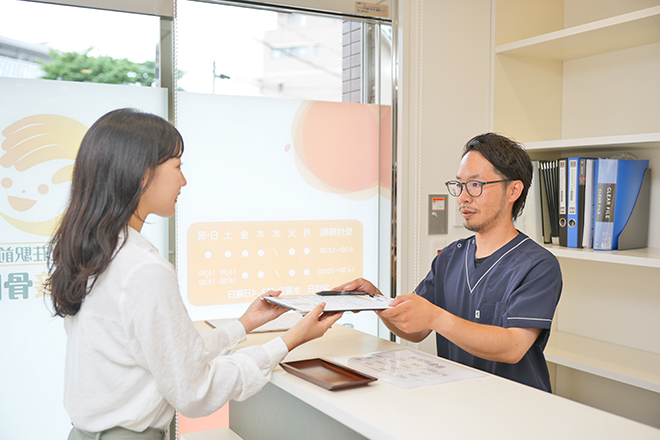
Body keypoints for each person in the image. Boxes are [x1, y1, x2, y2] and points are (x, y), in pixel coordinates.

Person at [47, 108, 343, 440]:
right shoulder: (144, 271)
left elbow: (169, 355)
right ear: (141, 174)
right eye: (177, 166)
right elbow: (194, 390)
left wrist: (244, 324)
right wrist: (290, 339)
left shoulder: (97, 255)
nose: (183, 181)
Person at [337, 133, 562, 392]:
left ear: (513, 190)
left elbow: (513, 347)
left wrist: (435, 317)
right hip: (456, 397)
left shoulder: (538, 265)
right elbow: (416, 331)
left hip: (516, 404)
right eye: (459, 185)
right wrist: (375, 301)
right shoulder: (451, 257)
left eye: (476, 185)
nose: (463, 197)